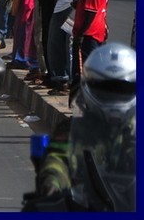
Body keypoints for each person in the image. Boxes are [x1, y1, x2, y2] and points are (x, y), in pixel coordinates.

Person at [27, 43, 135, 212]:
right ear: (88, 87)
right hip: (85, 204)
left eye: (122, 89)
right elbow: (57, 161)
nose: (113, 95)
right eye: (105, 89)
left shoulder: (135, 130)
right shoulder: (72, 131)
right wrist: (52, 186)